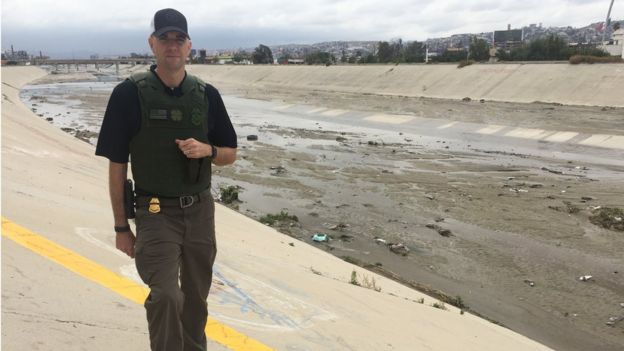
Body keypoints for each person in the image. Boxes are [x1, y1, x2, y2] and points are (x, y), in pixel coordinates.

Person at [95, 8, 237, 351]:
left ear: (189, 46)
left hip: (200, 212)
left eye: (179, 39)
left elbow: (230, 152)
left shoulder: (206, 95)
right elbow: (117, 165)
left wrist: (207, 150)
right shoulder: (129, 94)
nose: (172, 45)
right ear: (152, 44)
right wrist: (121, 228)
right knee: (166, 297)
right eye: (164, 39)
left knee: (195, 301)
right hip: (155, 212)